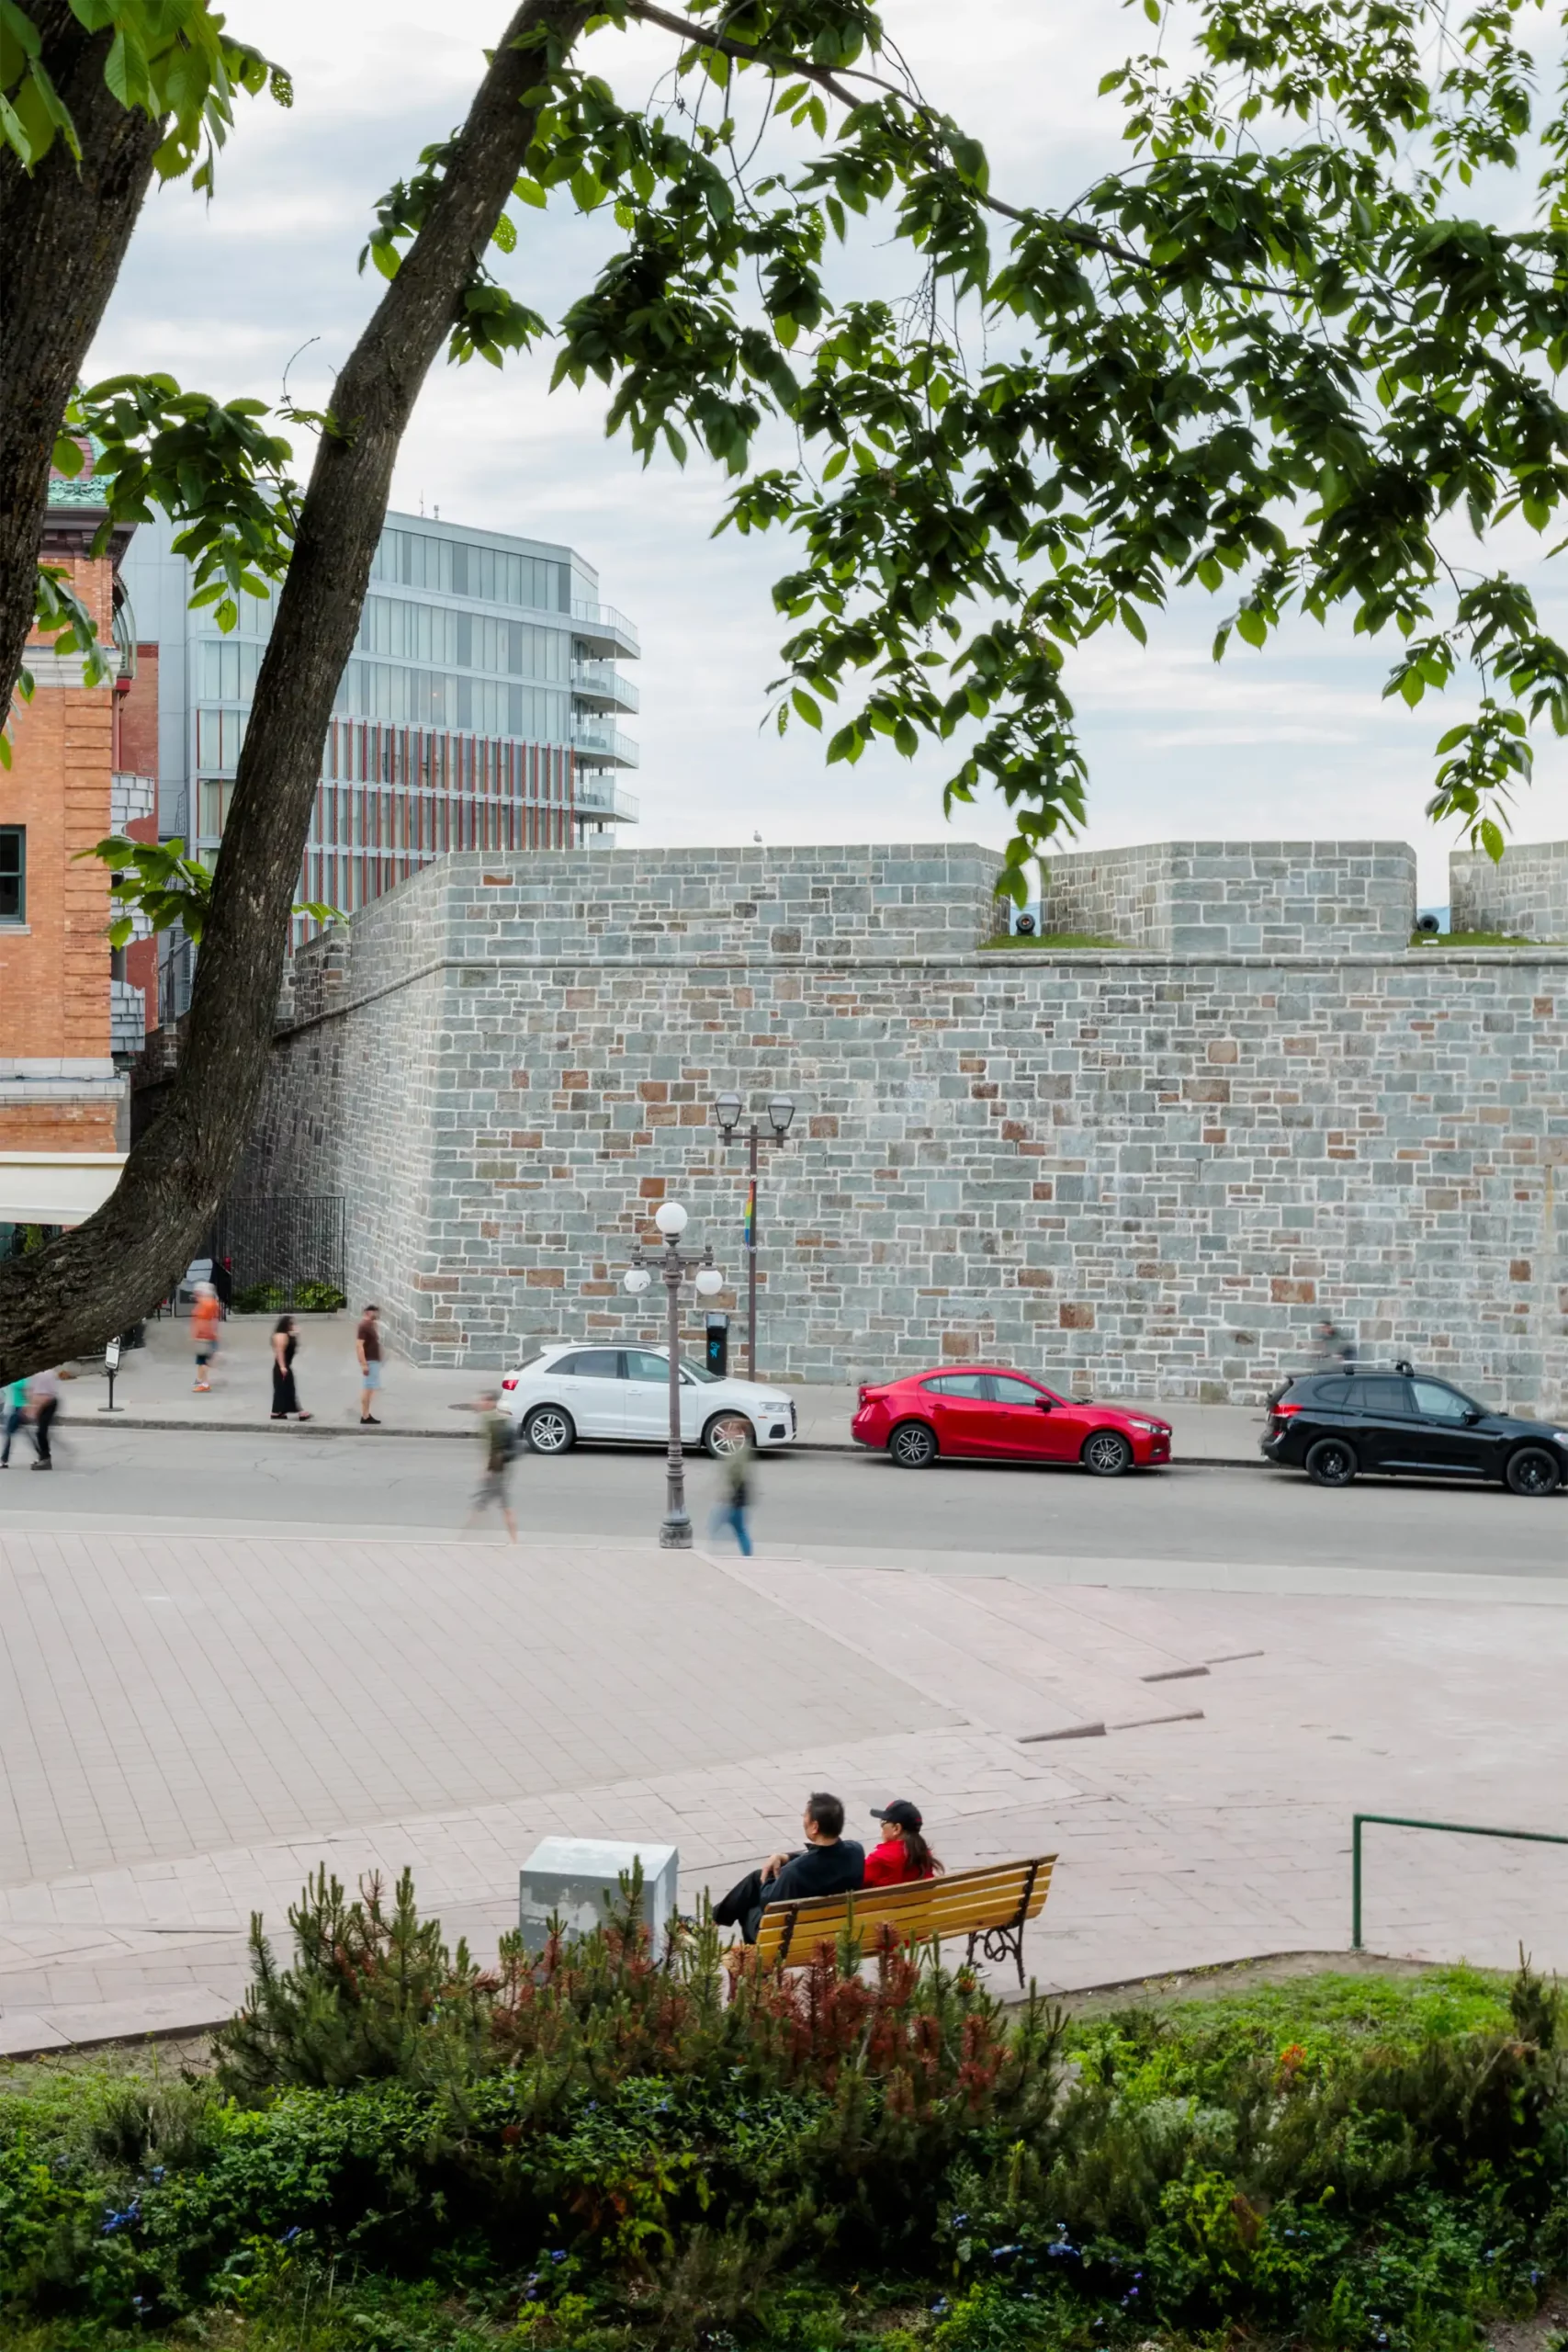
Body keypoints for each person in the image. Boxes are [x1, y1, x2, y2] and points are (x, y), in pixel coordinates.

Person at [712, 1792, 864, 1945]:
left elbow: (768, 1903)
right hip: (837, 1930)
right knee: (756, 1878)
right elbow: (819, 1857)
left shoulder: (794, 1873)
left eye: (806, 1815)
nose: (803, 1818)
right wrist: (785, 1857)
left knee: (746, 1906)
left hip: (790, 1940)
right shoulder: (856, 1852)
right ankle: (711, 1920)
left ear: (815, 1827)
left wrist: (768, 1879)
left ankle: (752, 1963)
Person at [466, 1388, 519, 1542]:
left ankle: (464, 1539)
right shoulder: (495, 1418)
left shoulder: (491, 1421)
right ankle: (513, 1540)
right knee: (499, 1504)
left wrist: (488, 1470)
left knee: (488, 1504)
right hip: (500, 1469)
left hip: (497, 1471)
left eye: (483, 1400)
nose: (480, 1403)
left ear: (491, 1403)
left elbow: (495, 1448)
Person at [863, 1799, 943, 1889]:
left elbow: (857, 1883)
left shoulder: (880, 1858)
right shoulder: (923, 1854)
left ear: (896, 1829)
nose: (882, 1828)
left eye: (883, 1822)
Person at [709, 1439, 753, 1555]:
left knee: (738, 1528)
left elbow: (737, 1475)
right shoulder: (737, 1450)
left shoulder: (740, 1452)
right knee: (737, 1527)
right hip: (736, 1498)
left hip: (736, 1498)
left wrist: (727, 1493)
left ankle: (747, 1554)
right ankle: (746, 1553)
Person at [27, 1364, 71, 1468]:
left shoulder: (44, 1374)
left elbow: (45, 1396)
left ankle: (45, 1459)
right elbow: (33, 1391)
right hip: (46, 1403)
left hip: (49, 1404)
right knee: (41, 1432)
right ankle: (43, 1457)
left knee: (41, 1432)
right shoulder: (41, 1373)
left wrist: (35, 1409)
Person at [270, 1316, 311, 1421]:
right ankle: (297, 1411)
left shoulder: (286, 1335)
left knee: (285, 1389)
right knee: (286, 1388)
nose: (293, 1325)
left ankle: (278, 1412)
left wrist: (296, 1334)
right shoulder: (281, 1336)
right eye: (291, 1324)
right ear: (285, 1325)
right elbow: (280, 1352)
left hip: (284, 1365)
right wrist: (283, 1367)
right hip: (282, 1366)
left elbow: (292, 1345)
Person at [190, 1282, 221, 1393]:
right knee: (203, 1361)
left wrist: (198, 1335)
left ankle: (204, 1384)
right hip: (210, 1335)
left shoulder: (204, 1304)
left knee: (203, 1361)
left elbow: (202, 1321)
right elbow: (213, 1320)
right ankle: (200, 1380)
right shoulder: (212, 1303)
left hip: (204, 1336)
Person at [355, 1304, 383, 1426]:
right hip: (370, 1361)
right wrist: (363, 1364)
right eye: (375, 1312)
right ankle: (365, 1415)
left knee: (371, 1389)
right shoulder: (364, 1326)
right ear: (368, 1313)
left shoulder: (371, 1325)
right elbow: (359, 1346)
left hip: (374, 1361)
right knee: (368, 1389)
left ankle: (367, 1414)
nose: (377, 1315)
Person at [0, 1374, 30, 1467]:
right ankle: (42, 1454)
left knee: (9, 1433)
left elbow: (26, 1390)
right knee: (27, 1434)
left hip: (19, 1408)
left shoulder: (21, 1379)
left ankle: (4, 1459)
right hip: (10, 1409)